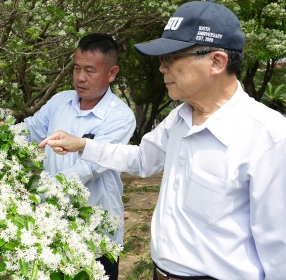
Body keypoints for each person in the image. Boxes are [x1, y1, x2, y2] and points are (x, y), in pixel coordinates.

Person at [39, 1, 286, 279]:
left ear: (216, 62)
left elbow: (279, 253)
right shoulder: (180, 119)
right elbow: (142, 159)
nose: (161, 69)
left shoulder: (269, 139)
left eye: (170, 58)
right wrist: (83, 145)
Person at [23, 33, 136, 279]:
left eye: (90, 70)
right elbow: (29, 130)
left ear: (112, 73)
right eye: (76, 69)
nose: (80, 78)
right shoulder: (59, 102)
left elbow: (89, 168)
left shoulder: (120, 116)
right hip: (52, 223)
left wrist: (39, 194)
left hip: (96, 229)